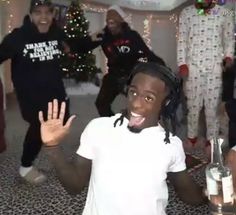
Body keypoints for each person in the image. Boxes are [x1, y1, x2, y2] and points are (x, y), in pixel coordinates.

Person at [39, 62, 207, 215]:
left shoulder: (170, 145)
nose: (136, 104)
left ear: (166, 102)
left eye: (148, 97)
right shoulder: (99, 128)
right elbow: (74, 186)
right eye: (133, 92)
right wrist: (52, 147)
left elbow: (189, 194)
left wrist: (212, 192)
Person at [0, 0, 71, 184]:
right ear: (31, 15)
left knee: (61, 120)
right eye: (38, 12)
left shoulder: (56, 33)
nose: (44, 17)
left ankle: (46, 146)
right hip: (31, 95)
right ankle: (25, 166)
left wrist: (95, 39)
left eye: (48, 12)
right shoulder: (18, 38)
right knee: (38, 126)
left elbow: (76, 44)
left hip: (55, 91)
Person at [70, 5, 166, 117]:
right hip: (113, 75)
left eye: (114, 21)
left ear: (120, 20)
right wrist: (88, 39)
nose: (111, 25)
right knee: (101, 104)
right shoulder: (103, 35)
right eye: (108, 21)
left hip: (131, 75)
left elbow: (147, 53)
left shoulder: (132, 36)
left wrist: (162, 67)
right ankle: (112, 124)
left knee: (138, 104)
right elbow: (83, 48)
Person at [177, 0, 235, 151]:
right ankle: (192, 137)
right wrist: (182, 63)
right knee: (193, 105)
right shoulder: (186, 13)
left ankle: (211, 141)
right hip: (193, 66)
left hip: (215, 66)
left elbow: (229, 38)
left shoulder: (225, 13)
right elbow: (182, 39)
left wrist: (228, 56)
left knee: (212, 106)